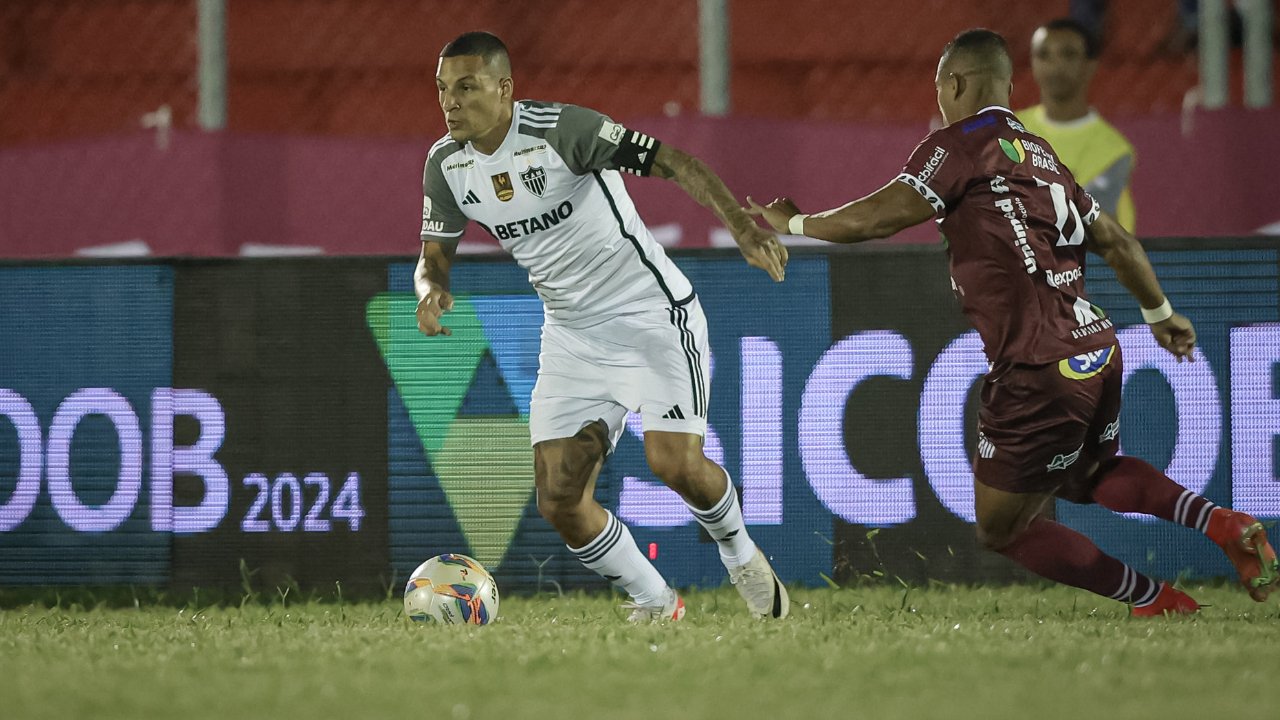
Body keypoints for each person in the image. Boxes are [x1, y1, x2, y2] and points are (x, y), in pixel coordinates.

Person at [747, 28, 1279, 615]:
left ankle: (1155, 599)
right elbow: (1118, 242)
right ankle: (1224, 523)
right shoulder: (1045, 157)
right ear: (1009, 84)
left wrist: (793, 223)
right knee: (1089, 474)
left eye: (940, 87)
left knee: (1001, 529)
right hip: (1095, 347)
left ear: (953, 84)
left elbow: (875, 220)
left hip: (1038, 366)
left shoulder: (953, 146)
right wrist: (1161, 313)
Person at [415, 31, 791, 622]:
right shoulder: (447, 165)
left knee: (675, 465)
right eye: (442, 89)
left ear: (505, 87)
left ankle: (740, 553)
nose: (450, 102)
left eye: (466, 86)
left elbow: (676, 162)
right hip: (571, 337)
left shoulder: (563, 131)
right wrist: (430, 289)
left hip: (651, 315)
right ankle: (657, 603)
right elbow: (432, 255)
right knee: (559, 498)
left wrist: (742, 229)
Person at [1019, 17, 1138, 233]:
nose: (1055, 66)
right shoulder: (1006, 129)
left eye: (1068, 54)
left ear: (1090, 65)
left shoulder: (1114, 150)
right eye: (1044, 55)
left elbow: (1094, 232)